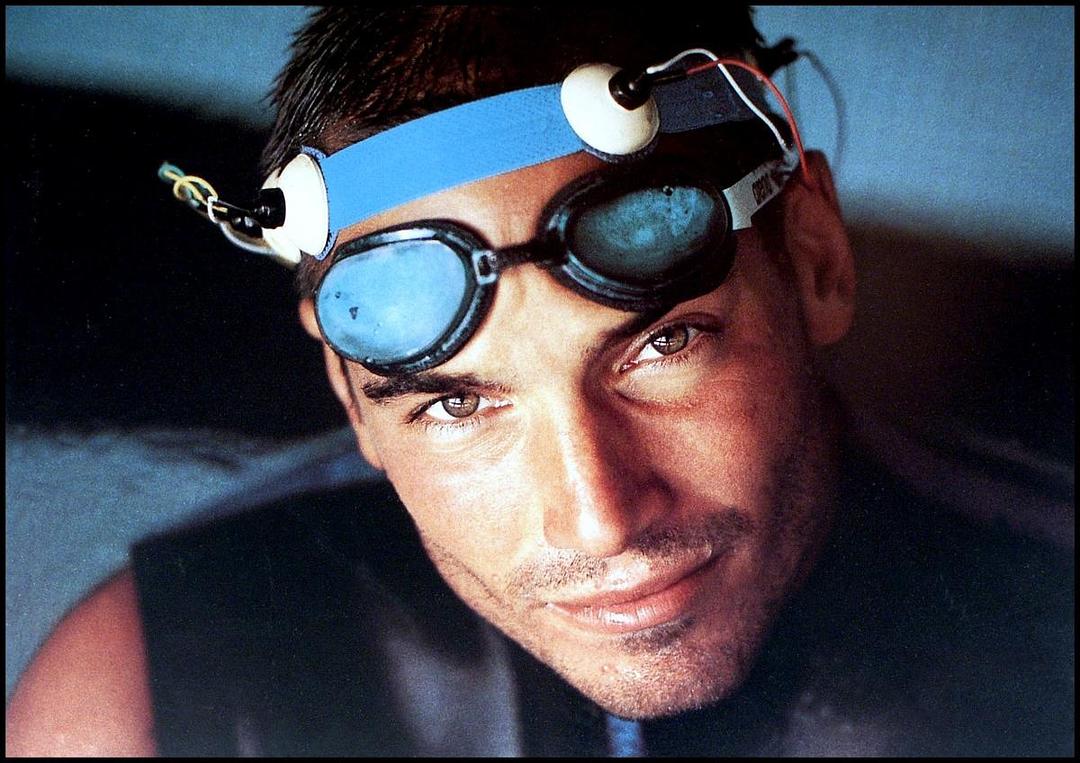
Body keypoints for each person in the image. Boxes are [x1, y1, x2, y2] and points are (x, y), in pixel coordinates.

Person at [6, 6, 1073, 757]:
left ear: (817, 260)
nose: (600, 517)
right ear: (346, 391)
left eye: (663, 346)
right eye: (458, 403)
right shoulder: (140, 702)